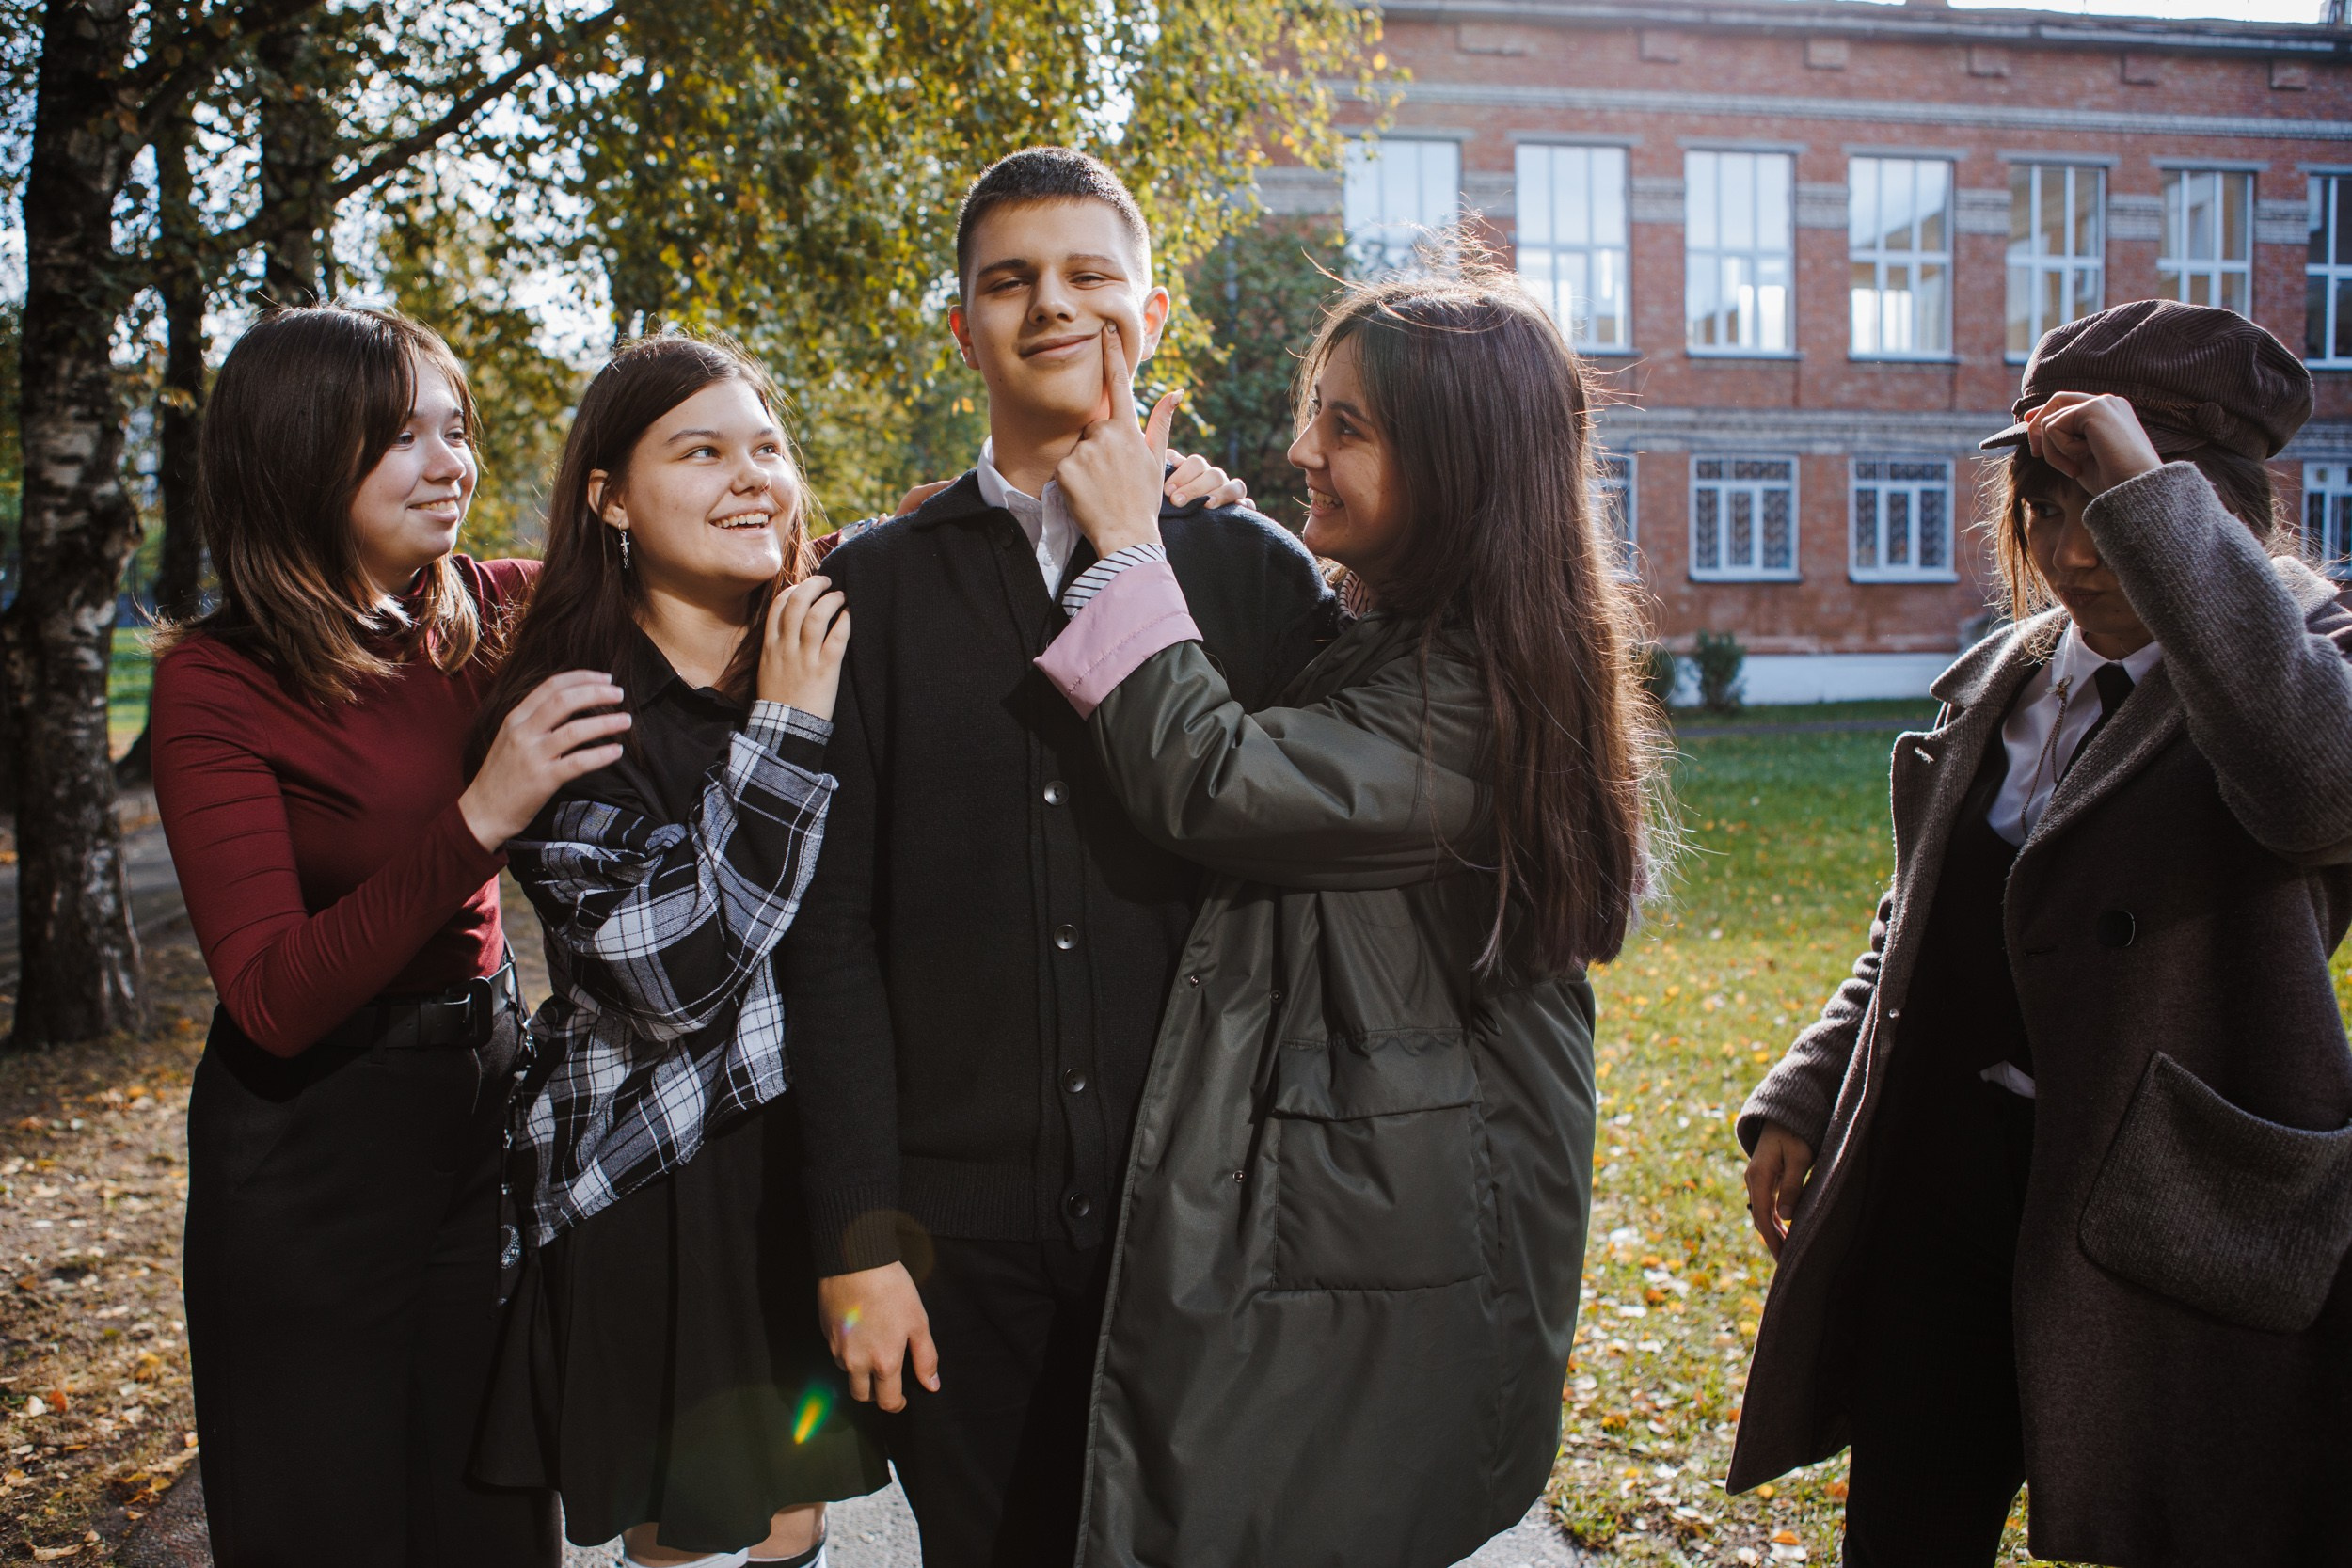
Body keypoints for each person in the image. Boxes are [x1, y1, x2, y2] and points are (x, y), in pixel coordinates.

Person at [1031, 265, 1661, 1566]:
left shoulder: (1469, 697)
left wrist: (1132, 550)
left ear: (1460, 465)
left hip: (1394, 1226)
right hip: (1382, 1203)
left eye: (1346, 426)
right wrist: (1213, 538)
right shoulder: (1436, 644)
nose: (1299, 446)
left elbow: (1214, 777)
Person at [780, 146, 1334, 1566]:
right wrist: (857, 1234)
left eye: (1091, 275)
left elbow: (1322, 898)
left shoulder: (1256, 573)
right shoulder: (873, 591)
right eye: (1009, 280)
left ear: (1150, 319)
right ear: (963, 327)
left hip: (1205, 1228)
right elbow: (828, 935)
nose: (1051, 307)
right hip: (955, 1252)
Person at [1732, 300, 2352, 1567]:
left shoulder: (2301, 660)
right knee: (1908, 1526)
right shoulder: (2007, 677)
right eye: (2050, 507)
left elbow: (2315, 791)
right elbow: (1917, 918)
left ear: (2207, 513)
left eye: (2114, 508)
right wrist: (1810, 1085)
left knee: (2184, 1529)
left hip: (2167, 1215)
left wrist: (2150, 494)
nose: (2077, 556)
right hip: (1944, 1190)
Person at [153, 305, 628, 1565]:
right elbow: (270, 996)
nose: (452, 463)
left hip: (480, 1115)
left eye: (455, 430)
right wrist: (485, 814)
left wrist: (1036, 516)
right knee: (329, 1528)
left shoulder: (494, 609)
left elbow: (732, 557)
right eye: (401, 436)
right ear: (302, 455)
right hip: (309, 1155)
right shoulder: (216, 680)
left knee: (492, 1520)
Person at [469, 333, 885, 1568]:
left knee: (796, 1511)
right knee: (680, 1523)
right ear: (606, 496)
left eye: (766, 447)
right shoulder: (564, 707)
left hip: (815, 1171)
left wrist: (1169, 511)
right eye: (699, 451)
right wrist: (788, 729)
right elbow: (676, 967)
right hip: (651, 1184)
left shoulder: (838, 643)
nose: (752, 476)